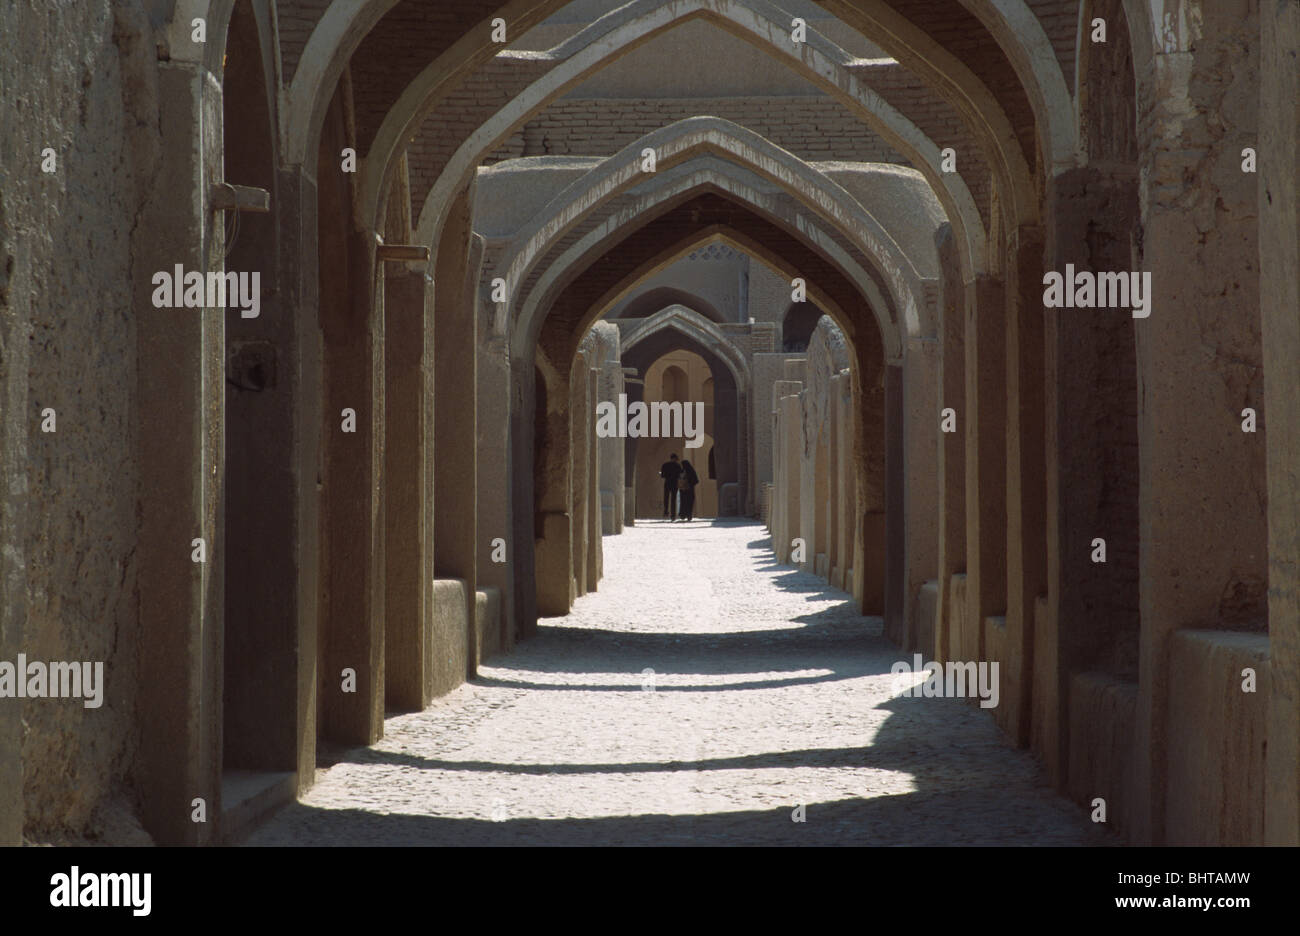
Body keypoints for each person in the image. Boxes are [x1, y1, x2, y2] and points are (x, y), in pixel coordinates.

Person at [659, 453, 683, 520]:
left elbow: (662, 475)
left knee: (666, 498)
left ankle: (666, 512)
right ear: (675, 458)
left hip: (667, 483)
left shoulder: (665, 465)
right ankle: (673, 515)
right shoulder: (678, 466)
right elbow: (680, 475)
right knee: (673, 500)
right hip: (674, 484)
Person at [679, 456, 700, 522]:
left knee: (683, 502)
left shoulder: (682, 471)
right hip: (690, 490)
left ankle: (683, 515)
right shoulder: (691, 471)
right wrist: (690, 484)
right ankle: (688, 515)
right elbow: (696, 480)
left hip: (683, 490)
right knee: (689, 503)